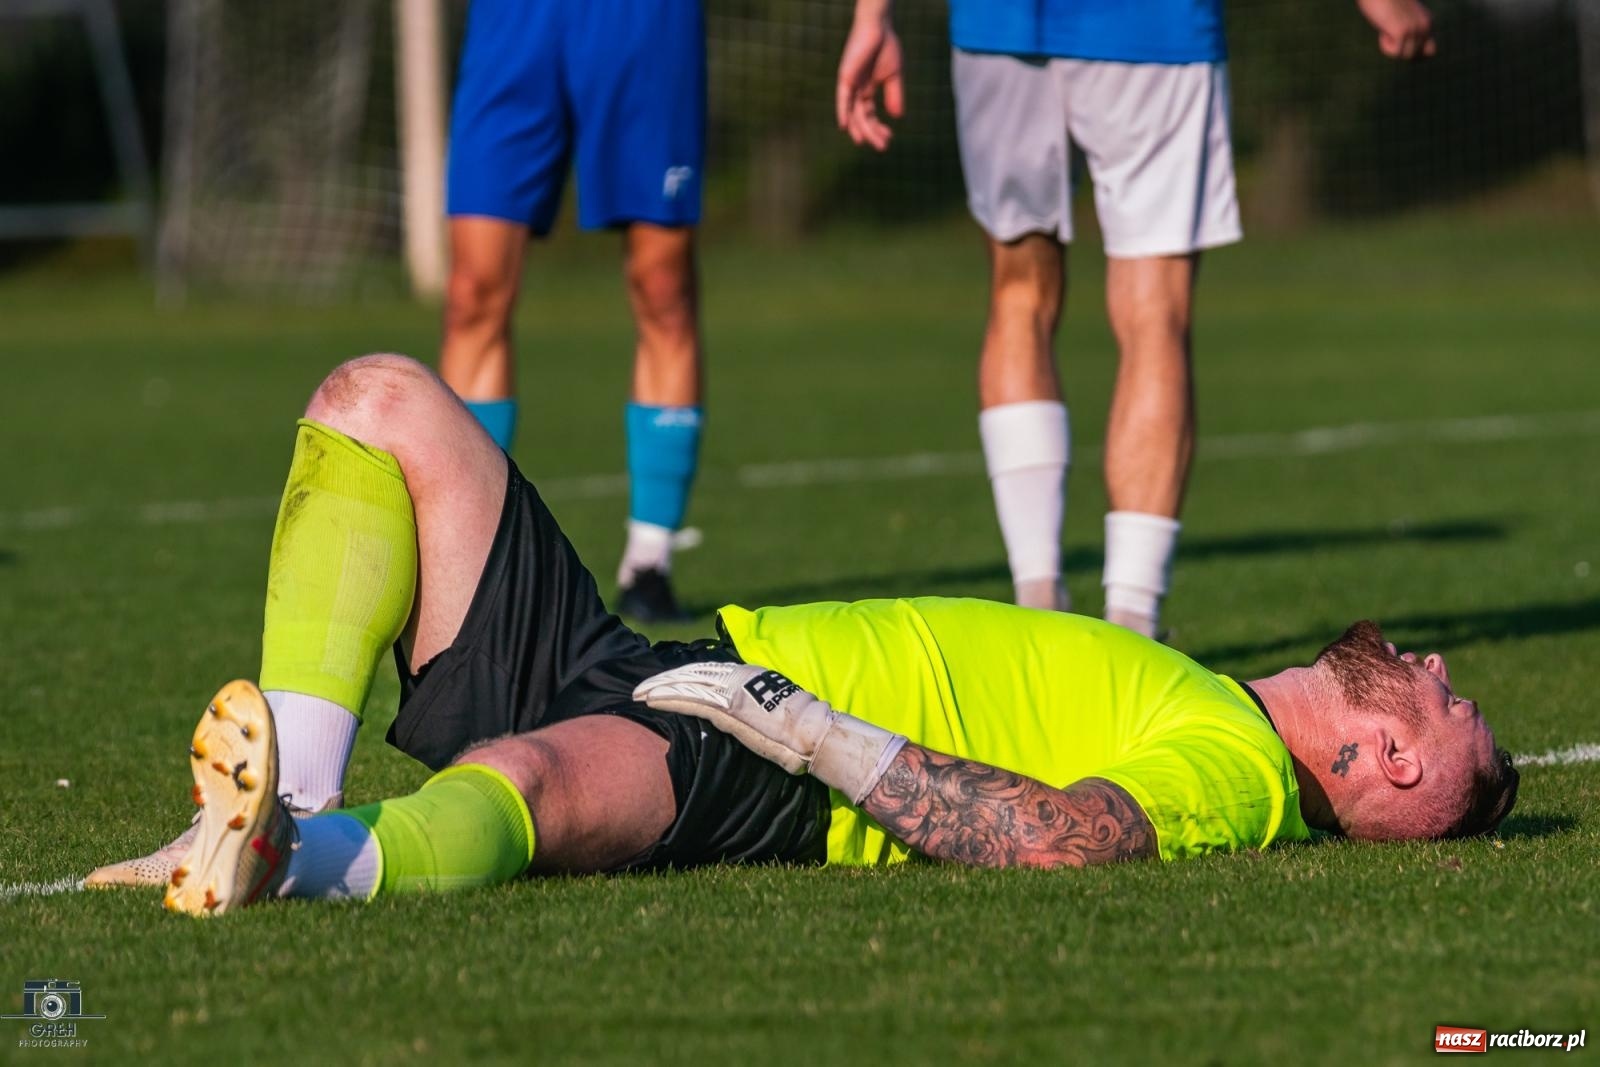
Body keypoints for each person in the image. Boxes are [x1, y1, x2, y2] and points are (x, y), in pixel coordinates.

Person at [82, 356, 1517, 914]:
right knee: (378, 402)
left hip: (765, 752)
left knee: (526, 779)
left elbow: (1074, 840)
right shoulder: (1213, 696)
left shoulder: (1249, 774)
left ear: (1386, 756)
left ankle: (294, 861)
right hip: (681, 655)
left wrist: (810, 730)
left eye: (1455, 711)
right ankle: (284, 804)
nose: (1447, 672)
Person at [834, 0, 1438, 635]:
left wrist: (873, 18)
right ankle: (1132, 623)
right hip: (1154, 28)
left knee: (1018, 295)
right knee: (1155, 313)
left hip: (1002, 26)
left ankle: (1037, 605)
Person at [440, 0, 709, 621]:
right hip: (517, 24)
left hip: (641, 22)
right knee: (474, 289)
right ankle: (468, 555)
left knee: (661, 283)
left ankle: (650, 561)